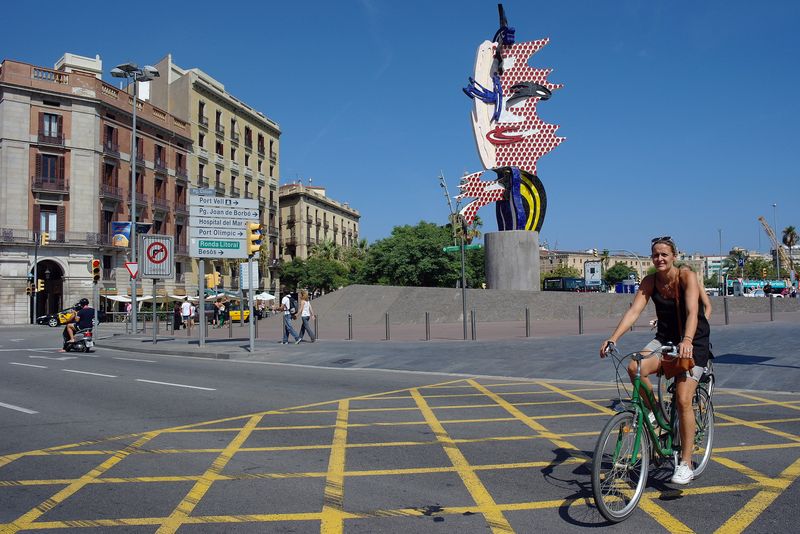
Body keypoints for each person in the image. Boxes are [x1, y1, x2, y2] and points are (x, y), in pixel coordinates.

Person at [599, 236, 711, 486]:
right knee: (634, 367)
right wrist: (613, 338)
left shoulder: (686, 277)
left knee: (683, 399)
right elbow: (634, 312)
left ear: (673, 256)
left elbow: (694, 312)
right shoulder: (650, 282)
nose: (659, 259)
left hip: (693, 341)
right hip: (664, 339)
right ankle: (656, 414)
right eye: (655, 255)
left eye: (664, 254)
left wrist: (688, 341)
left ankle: (685, 463)